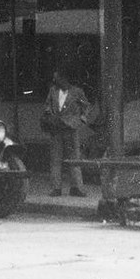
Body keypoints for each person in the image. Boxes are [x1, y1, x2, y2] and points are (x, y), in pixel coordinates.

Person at [41, 68, 91, 197]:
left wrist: (80, 120)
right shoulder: (53, 91)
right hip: (56, 128)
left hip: (71, 128)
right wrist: (49, 115)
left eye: (57, 78)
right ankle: (56, 188)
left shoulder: (77, 92)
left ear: (64, 78)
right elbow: (47, 105)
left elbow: (86, 107)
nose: (54, 81)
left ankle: (76, 187)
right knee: (55, 159)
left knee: (74, 158)